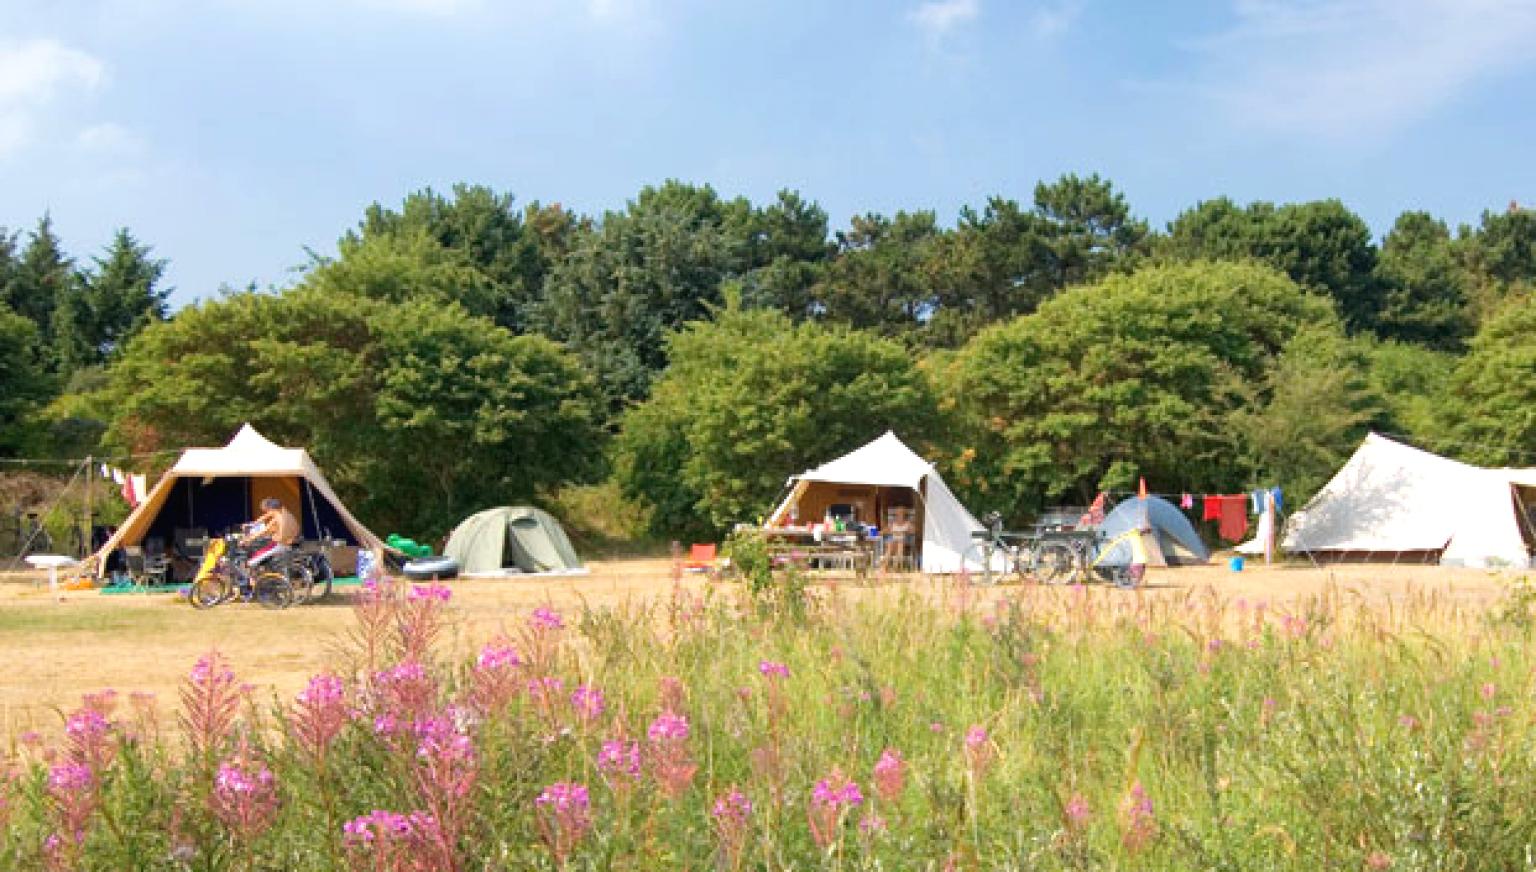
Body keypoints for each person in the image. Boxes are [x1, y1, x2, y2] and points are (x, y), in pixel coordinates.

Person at [243, 497, 301, 569]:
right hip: (292, 539)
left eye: (266, 510)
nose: (266, 512)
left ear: (271, 508)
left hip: (281, 544)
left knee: (253, 560)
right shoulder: (283, 511)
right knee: (266, 544)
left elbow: (265, 531)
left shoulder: (278, 518)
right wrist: (253, 524)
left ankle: (254, 577)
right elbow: (265, 516)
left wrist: (249, 539)